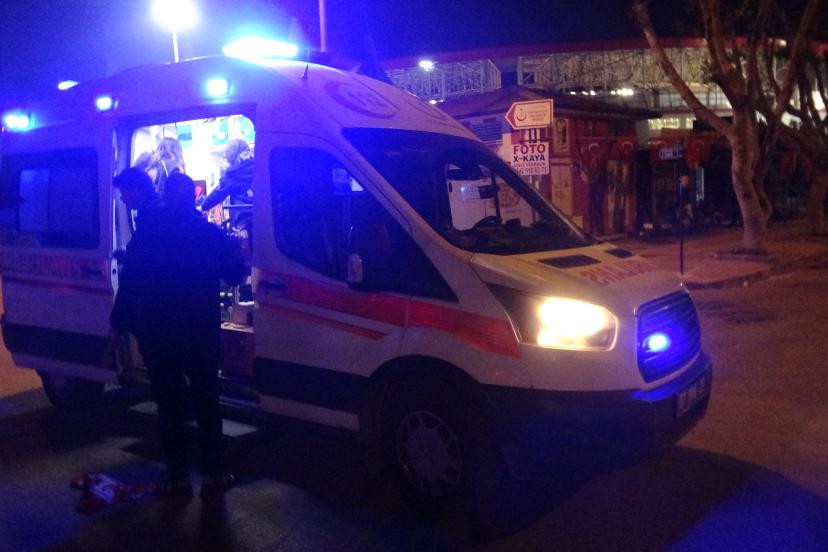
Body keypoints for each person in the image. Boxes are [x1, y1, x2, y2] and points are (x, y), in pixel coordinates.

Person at [110, 170, 246, 500]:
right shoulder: (208, 233)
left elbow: (130, 283)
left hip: (159, 332)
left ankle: (178, 479)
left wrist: (117, 325)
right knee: (207, 403)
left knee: (169, 407)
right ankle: (214, 476)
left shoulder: (148, 234)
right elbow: (235, 275)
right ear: (193, 198)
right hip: (199, 331)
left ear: (167, 197)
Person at [199, 138, 253, 227]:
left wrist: (202, 206)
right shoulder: (258, 167)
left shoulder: (234, 173)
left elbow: (216, 195)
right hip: (264, 217)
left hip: (243, 222)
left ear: (231, 154)